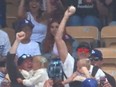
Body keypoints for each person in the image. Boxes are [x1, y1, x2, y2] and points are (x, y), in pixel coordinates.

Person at [55, 5, 110, 87]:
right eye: (80, 50)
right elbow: (58, 39)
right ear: (77, 52)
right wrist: (66, 16)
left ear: (89, 54)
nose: (83, 52)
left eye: (86, 50)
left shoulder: (97, 71)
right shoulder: (70, 63)